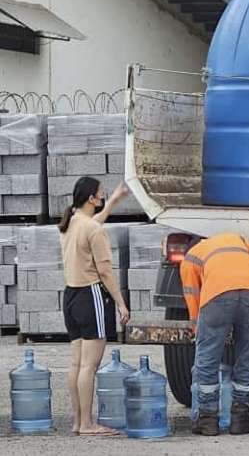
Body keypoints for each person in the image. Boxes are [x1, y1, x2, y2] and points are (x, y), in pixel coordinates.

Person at [180, 232, 249, 436]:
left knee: (208, 357)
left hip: (217, 294)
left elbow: (192, 295)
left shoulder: (191, 257)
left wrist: (196, 327)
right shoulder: (237, 241)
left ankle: (208, 419)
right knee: (248, 352)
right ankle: (241, 417)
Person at [59, 177, 131, 436]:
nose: (102, 198)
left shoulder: (69, 224)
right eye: (101, 195)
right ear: (91, 199)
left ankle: (78, 422)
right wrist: (122, 304)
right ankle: (89, 424)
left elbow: (94, 224)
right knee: (90, 365)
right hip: (91, 296)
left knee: (77, 364)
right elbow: (105, 271)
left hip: (70, 297)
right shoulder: (93, 229)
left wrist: (113, 201)